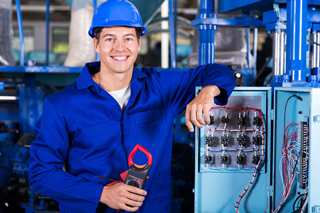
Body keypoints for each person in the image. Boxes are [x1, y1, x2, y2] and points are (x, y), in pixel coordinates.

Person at [29, 0, 236, 212]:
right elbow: (41, 173)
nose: (120, 48)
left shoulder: (160, 88)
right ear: (96, 44)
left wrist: (208, 91)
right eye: (110, 39)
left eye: (128, 38)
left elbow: (219, 71)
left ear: (138, 43)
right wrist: (102, 194)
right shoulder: (62, 105)